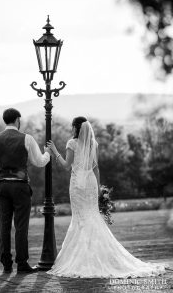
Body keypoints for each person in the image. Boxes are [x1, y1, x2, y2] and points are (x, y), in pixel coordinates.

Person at [46, 116, 169, 278]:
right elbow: (96, 168)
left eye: (72, 127)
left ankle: (85, 258)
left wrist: (54, 151)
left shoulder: (72, 143)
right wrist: (98, 188)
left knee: (80, 219)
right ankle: (96, 255)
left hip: (77, 184)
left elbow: (66, 166)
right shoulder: (93, 144)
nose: (71, 129)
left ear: (76, 128)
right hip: (90, 184)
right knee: (92, 216)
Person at [0, 108, 51, 274]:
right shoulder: (27, 139)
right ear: (17, 120)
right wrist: (47, 154)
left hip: (3, 186)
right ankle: (22, 263)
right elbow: (38, 161)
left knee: (4, 226)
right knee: (21, 226)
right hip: (20, 187)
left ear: (5, 120)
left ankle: (6, 264)